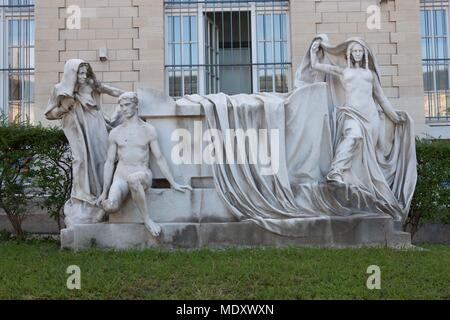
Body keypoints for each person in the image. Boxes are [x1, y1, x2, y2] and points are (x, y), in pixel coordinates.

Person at [310, 39, 406, 185]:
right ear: (350, 53)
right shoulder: (343, 72)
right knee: (353, 136)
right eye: (355, 51)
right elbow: (316, 65)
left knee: (366, 156)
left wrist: (393, 116)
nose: (357, 53)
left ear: (364, 53)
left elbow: (381, 98)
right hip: (352, 114)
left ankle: (360, 185)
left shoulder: (371, 75)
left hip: (371, 116)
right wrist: (313, 52)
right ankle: (336, 171)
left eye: (360, 51)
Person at [96, 92, 192, 236]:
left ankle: (147, 219)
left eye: (127, 105)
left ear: (136, 106)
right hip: (120, 176)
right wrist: (104, 192)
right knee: (111, 206)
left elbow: (159, 158)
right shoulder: (116, 132)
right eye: (121, 106)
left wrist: (173, 182)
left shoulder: (148, 130)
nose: (124, 109)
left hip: (142, 174)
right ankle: (105, 207)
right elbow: (109, 163)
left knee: (133, 180)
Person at [45, 59, 125, 225]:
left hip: (96, 125)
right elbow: (49, 114)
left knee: (102, 160)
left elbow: (110, 90)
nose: (83, 76)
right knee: (80, 160)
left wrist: (128, 95)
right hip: (76, 129)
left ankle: (103, 198)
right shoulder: (60, 89)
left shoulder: (91, 84)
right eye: (79, 73)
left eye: (85, 72)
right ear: (71, 73)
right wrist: (63, 107)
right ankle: (82, 198)